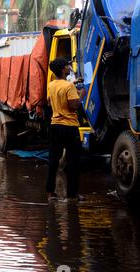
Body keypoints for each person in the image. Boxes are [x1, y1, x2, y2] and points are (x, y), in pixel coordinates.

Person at [46, 57, 86, 202]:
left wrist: (73, 83)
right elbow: (73, 106)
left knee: (53, 160)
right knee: (72, 161)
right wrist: (81, 95)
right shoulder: (69, 87)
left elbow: (50, 103)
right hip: (69, 127)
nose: (70, 67)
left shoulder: (51, 85)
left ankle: (50, 193)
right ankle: (72, 194)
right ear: (63, 69)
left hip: (55, 126)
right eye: (68, 65)